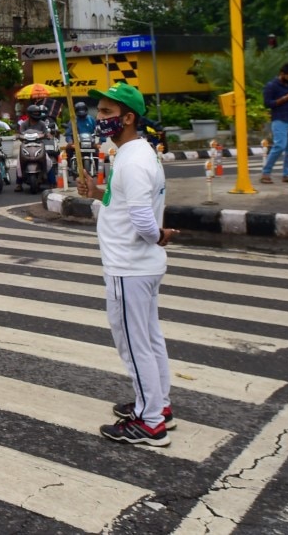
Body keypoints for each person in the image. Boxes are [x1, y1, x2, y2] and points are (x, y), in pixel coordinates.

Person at [74, 83, 178, 447]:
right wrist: (96, 196)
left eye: (106, 113)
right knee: (148, 338)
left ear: (128, 118)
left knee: (133, 344)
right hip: (141, 265)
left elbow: (140, 218)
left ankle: (150, 423)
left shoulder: (132, 160)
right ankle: (159, 405)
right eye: (99, 111)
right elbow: (121, 205)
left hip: (129, 265)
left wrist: (159, 235)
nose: (98, 118)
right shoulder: (135, 154)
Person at [261, 63, 288, 184]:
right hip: (280, 120)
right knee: (280, 146)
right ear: (282, 74)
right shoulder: (271, 86)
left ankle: (287, 174)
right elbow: (268, 103)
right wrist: (285, 98)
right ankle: (266, 173)